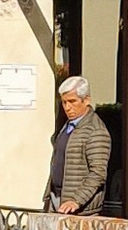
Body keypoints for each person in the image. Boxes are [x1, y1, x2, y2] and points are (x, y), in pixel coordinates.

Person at [44, 76, 111, 214]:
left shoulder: (95, 130)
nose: (67, 107)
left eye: (72, 101)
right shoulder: (67, 125)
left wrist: (76, 200)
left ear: (86, 100)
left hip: (80, 209)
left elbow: (98, 173)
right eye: (64, 102)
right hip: (56, 200)